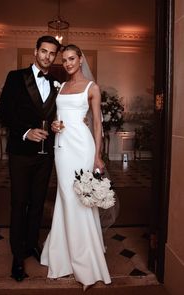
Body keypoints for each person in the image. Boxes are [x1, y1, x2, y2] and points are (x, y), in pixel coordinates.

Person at [41, 44, 112, 291]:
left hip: (83, 148)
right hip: (61, 148)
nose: (68, 63)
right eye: (65, 60)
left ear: (80, 59)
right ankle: (62, 252)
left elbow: (97, 125)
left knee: (81, 199)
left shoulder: (92, 88)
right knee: (65, 196)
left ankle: (85, 259)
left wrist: (97, 157)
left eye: (72, 58)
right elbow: (55, 118)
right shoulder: (60, 87)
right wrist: (54, 126)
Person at [0, 35, 61, 282]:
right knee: (19, 203)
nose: (47, 56)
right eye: (43, 51)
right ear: (35, 52)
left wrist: (56, 125)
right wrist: (25, 132)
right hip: (21, 153)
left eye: (52, 53)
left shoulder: (57, 83)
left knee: (38, 203)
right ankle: (17, 256)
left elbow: (56, 114)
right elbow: (3, 112)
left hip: (46, 155)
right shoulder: (16, 77)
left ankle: (32, 244)